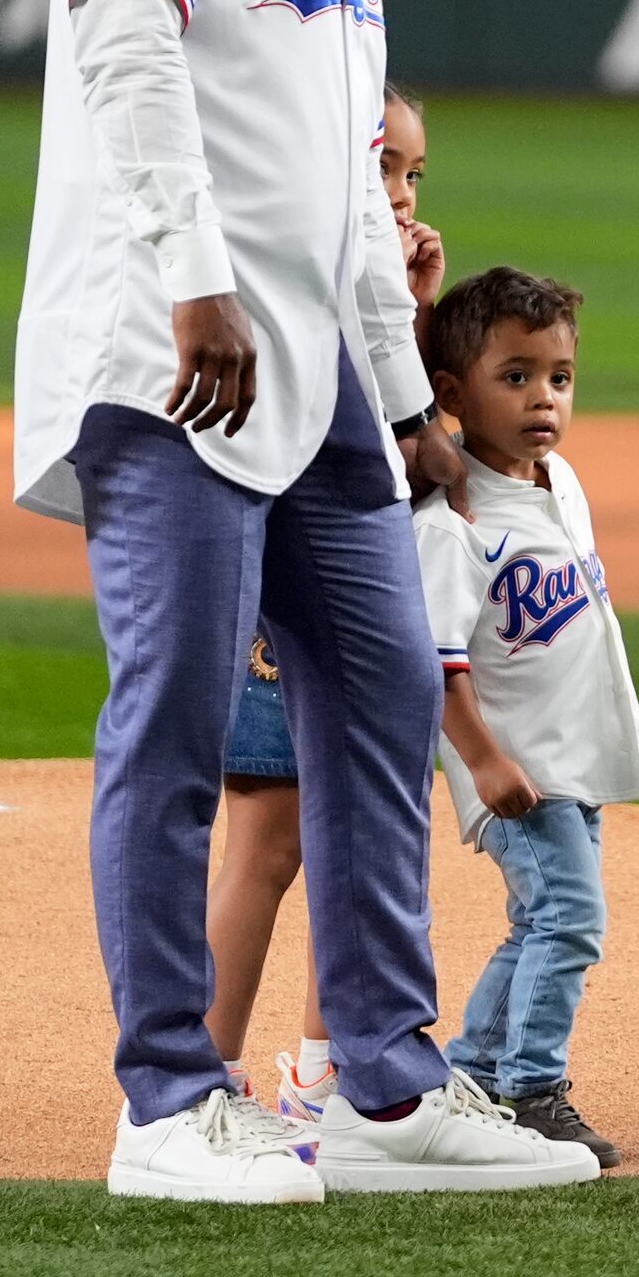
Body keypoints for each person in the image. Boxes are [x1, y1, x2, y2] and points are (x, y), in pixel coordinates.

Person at [12, 0, 593, 1201]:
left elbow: (346, 177)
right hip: (172, 350)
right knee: (180, 723)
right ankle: (164, 1098)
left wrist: (402, 394)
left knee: (377, 702)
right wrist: (192, 275)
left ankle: (389, 1093)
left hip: (320, 374)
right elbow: (125, 34)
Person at [200, 82, 446, 1125]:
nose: (399, 193)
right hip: (297, 572)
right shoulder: (293, 262)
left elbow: (407, 425)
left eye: (412, 175)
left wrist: (416, 309)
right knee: (271, 837)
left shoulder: (373, 272)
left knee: (337, 823)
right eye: (380, 166)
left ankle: (321, 1067)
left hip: (341, 562)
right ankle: (204, 1075)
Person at [411, 267, 639, 1171]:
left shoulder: (560, 484)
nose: (542, 398)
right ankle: (532, 1089)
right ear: (451, 393)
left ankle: (473, 1072)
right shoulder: (455, 524)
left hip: (570, 757)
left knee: (541, 922)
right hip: (518, 768)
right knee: (572, 920)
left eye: (557, 377)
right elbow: (437, 661)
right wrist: (482, 761)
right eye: (513, 377)